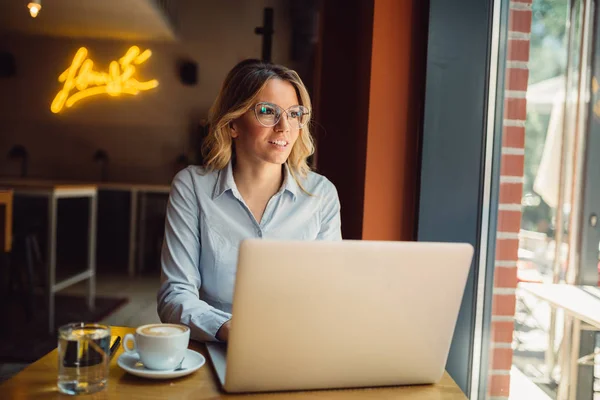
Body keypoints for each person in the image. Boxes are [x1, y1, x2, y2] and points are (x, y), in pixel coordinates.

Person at [156, 59, 342, 342]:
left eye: (294, 114)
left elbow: (329, 292)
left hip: (297, 344)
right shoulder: (192, 187)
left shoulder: (321, 195)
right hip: (217, 346)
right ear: (233, 124)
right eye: (267, 112)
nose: (284, 127)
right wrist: (232, 331)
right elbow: (175, 294)